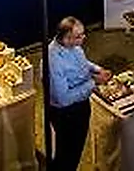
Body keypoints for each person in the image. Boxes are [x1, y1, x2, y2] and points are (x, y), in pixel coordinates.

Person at [47, 16, 110, 171]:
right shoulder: (54, 61)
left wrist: (96, 69)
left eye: (83, 34)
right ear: (66, 39)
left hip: (81, 105)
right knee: (67, 153)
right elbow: (62, 99)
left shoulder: (73, 47)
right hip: (67, 114)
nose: (84, 37)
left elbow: (82, 62)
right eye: (79, 36)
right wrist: (94, 82)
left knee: (76, 150)